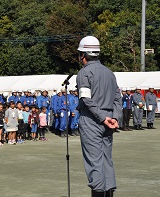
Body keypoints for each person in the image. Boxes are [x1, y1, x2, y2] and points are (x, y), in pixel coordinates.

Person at [76, 36, 122, 197]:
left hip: (92, 120)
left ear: (83, 55)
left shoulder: (84, 73)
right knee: (106, 161)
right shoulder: (110, 73)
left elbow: (86, 100)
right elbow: (117, 98)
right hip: (109, 120)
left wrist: (102, 117)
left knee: (94, 162)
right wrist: (114, 117)